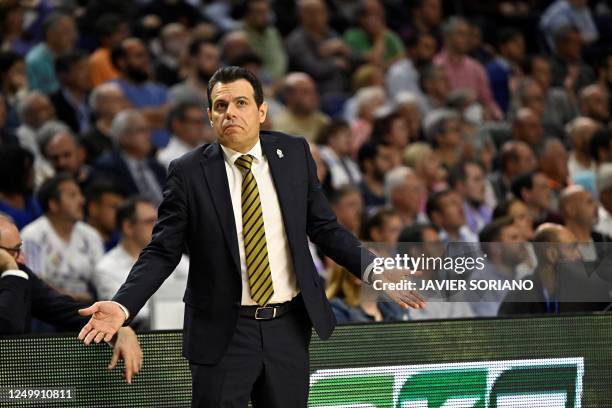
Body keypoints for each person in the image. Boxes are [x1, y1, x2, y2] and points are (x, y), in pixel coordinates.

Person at [77, 66, 424, 407]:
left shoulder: (294, 154)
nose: (230, 113)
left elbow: (324, 227)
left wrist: (373, 269)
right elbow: (162, 251)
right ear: (211, 116)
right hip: (223, 330)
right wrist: (124, 304)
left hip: (287, 326)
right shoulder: (187, 172)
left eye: (241, 103)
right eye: (221, 106)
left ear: (261, 111)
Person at [0, 214, 142, 383]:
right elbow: (8, 331)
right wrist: (11, 270)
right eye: (14, 251)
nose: (22, 258)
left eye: (20, 249)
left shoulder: (18, 271)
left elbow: (62, 307)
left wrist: (117, 326)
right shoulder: (14, 273)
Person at [94, 197, 189, 330]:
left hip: (183, 329)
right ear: (128, 227)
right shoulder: (106, 268)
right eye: (151, 221)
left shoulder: (176, 259)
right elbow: (125, 314)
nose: (159, 226)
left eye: (159, 220)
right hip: (142, 336)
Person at [22, 173, 105, 305]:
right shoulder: (32, 235)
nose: (82, 200)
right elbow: (35, 282)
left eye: (80, 194)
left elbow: (102, 279)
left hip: (86, 306)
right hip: (47, 309)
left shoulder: (91, 235)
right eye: (73, 195)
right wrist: (69, 296)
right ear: (53, 204)